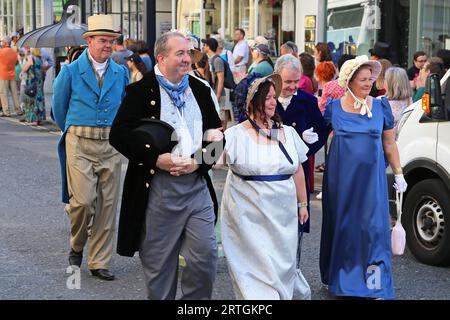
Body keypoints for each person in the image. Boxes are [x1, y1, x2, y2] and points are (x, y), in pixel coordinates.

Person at [109, 31, 224, 300]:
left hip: (196, 187)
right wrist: (154, 158)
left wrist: (200, 162)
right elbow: (119, 135)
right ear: (161, 58)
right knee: (159, 266)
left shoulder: (201, 90)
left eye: (189, 53)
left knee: (205, 256)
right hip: (158, 189)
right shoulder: (140, 92)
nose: (188, 59)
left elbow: (219, 137)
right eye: (180, 53)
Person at [320, 55, 407, 299]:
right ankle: (340, 280)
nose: (369, 83)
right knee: (344, 228)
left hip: (372, 182)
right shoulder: (333, 108)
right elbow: (316, 134)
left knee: (373, 230)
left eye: (371, 78)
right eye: (363, 79)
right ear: (349, 81)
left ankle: (374, 284)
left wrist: (399, 172)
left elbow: (389, 144)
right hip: (341, 181)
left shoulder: (381, 107)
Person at [220, 74, 311, 300]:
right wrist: (209, 138)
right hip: (248, 218)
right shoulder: (234, 134)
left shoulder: (288, 133)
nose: (273, 102)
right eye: (267, 98)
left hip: (283, 217)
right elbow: (207, 160)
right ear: (253, 102)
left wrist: (303, 204)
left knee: (281, 268)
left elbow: (298, 169)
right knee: (254, 271)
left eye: (273, 97)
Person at [52, 15, 129, 281]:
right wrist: (74, 130)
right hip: (80, 142)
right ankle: (76, 245)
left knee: (107, 205)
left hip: (110, 143)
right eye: (103, 40)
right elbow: (58, 110)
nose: (108, 45)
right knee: (83, 202)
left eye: (112, 41)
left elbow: (125, 106)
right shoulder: (70, 71)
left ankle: (99, 261)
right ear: (89, 41)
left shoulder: (121, 72)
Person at [274, 54, 327, 219]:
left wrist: (308, 145)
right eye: (288, 81)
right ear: (276, 78)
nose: (293, 86)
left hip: (298, 169)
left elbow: (322, 130)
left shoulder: (308, 101)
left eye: (296, 81)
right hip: (270, 168)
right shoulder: (265, 98)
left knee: (297, 219)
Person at [21, 48, 46, 125]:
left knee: (32, 100)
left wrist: (19, 60)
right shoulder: (41, 59)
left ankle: (33, 119)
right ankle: (39, 118)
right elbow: (44, 70)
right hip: (39, 82)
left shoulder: (31, 59)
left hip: (32, 82)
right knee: (40, 99)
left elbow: (24, 69)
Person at [0, 36, 21, 117]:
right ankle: (18, 110)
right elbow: (16, 62)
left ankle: (7, 111)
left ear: (5, 43)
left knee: (3, 94)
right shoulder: (14, 52)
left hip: (3, 75)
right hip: (12, 74)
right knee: (14, 94)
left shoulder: (1, 52)